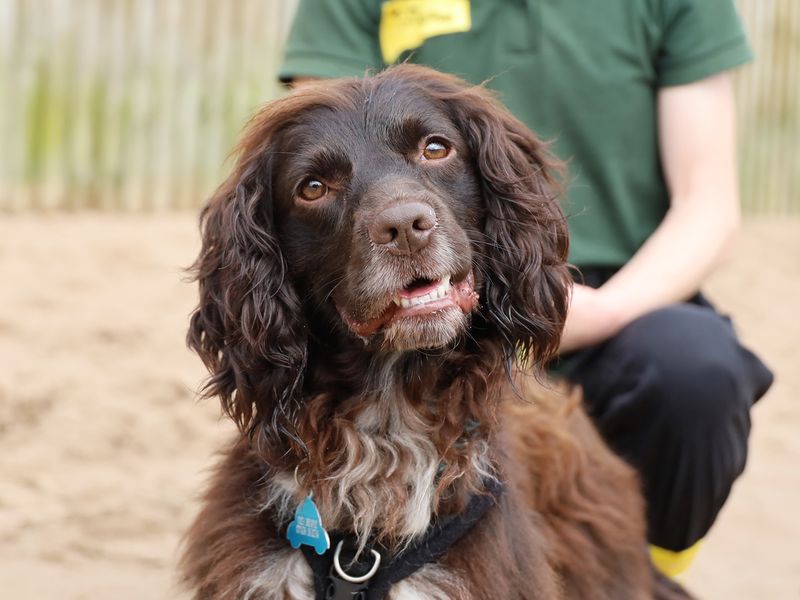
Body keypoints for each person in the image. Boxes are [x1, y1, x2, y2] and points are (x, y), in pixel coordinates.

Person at [277, 0, 773, 576]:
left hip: (621, 305)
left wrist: (604, 309)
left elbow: (708, 205)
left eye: (435, 150)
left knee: (694, 373)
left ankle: (643, 574)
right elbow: (321, 146)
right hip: (419, 299)